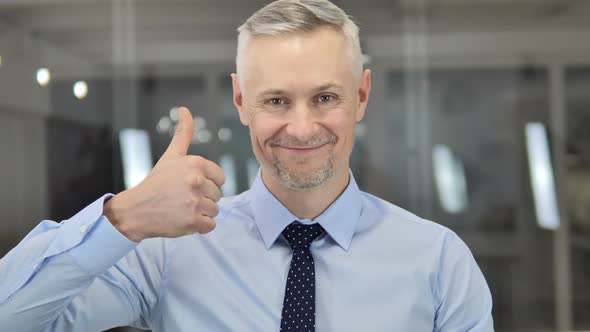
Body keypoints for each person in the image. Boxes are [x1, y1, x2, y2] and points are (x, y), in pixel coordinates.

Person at [0, 0, 494, 331]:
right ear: (240, 100)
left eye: (325, 97)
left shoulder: (439, 263)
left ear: (361, 95)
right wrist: (123, 218)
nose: (301, 128)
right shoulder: (172, 251)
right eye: (276, 101)